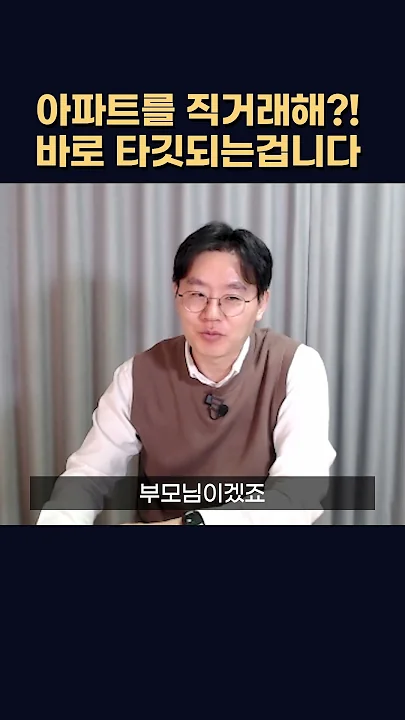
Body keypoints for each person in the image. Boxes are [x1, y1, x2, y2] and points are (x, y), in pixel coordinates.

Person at [36, 221, 336, 526]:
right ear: (176, 294)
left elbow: (298, 497)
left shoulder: (295, 366)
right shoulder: (138, 376)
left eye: (233, 298)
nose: (211, 314)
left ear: (261, 303)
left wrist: (189, 525)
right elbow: (88, 474)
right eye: (197, 294)